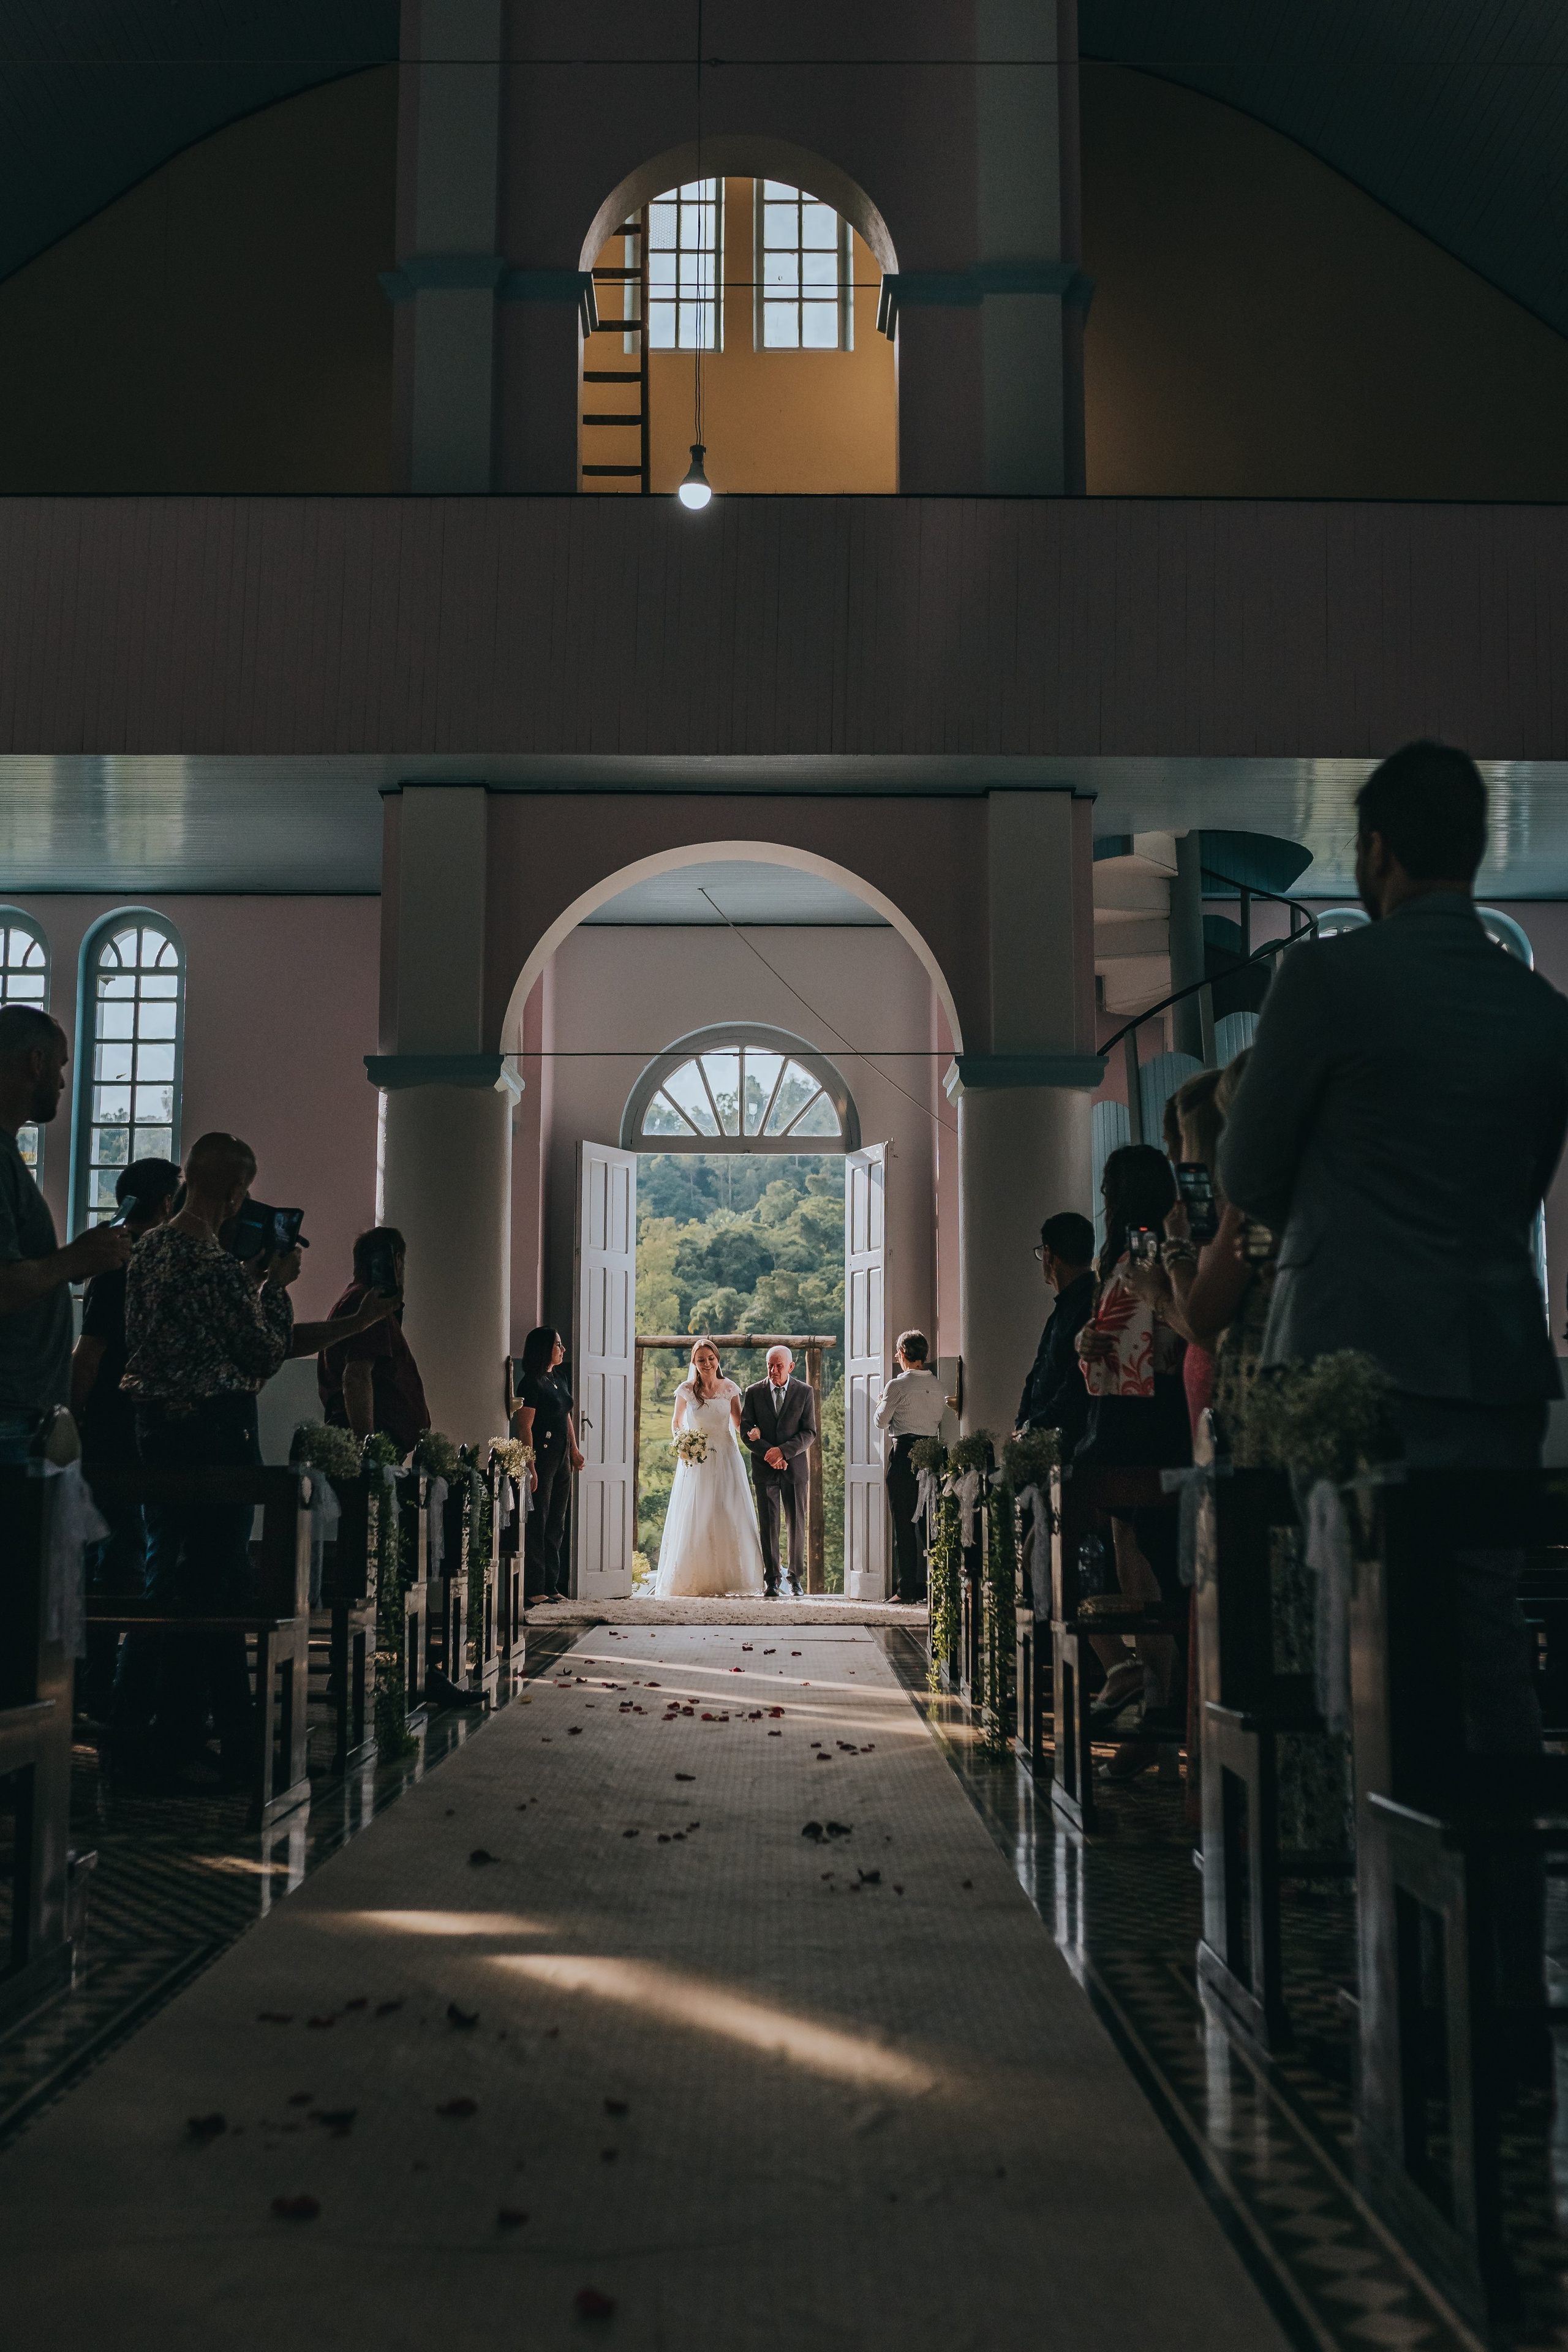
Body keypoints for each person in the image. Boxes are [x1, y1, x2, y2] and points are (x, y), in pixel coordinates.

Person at [1219, 739, 1568, 1780]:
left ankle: (1392, 1907)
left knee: (1368, 1639)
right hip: (1492, 1362)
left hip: (1355, 1365)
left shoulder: (1326, 975)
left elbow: (1249, 1162)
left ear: (1376, 852)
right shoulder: (1543, 1015)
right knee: (1486, 1624)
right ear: (1473, 847)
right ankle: (1496, 1912)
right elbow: (1519, 1190)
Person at [119, 1132, 300, 1783]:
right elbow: (261, 1355)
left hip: (153, 1435)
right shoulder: (214, 1263)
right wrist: (273, 1289)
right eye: (244, 1190)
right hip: (215, 1437)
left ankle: (217, 1733)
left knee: (180, 1578)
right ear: (231, 1191)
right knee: (217, 1585)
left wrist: (245, 1287)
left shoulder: (148, 1251)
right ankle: (188, 1739)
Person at [1076, 1143, 1191, 1777]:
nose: (1102, 1195)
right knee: (1130, 1559)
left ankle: (1158, 1708)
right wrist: (1084, 1339)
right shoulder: (1123, 1251)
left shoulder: (1152, 1246)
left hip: (1147, 1410)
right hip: (1120, 1404)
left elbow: (1169, 1325)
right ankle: (1149, 1699)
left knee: (1148, 1565)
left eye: (1108, 1185)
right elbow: (1111, 1328)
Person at [69, 1156, 180, 1720]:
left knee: (115, 1558)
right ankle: (101, 1689)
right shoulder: (124, 1267)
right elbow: (90, 1354)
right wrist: (78, 1416)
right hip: (121, 1431)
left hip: (114, 1428)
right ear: (165, 1205)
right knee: (122, 1562)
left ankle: (102, 1685)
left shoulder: (127, 1264)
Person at [0, 1006, 130, 1463]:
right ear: (36, 1062)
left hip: (24, 1414)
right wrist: (76, 1260)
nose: (60, 1082)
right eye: (60, 1066)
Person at [654, 1339, 768, 1599]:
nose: (707, 1364)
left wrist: (753, 1432)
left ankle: (732, 1578)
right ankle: (696, 1577)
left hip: (726, 1456)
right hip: (698, 1459)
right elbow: (676, 1422)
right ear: (694, 1363)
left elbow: (738, 1423)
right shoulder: (686, 1390)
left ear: (718, 1360)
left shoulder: (730, 1388)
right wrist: (683, 1443)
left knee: (728, 1510)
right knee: (698, 1513)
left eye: (711, 1358)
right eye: (701, 1360)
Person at [316, 1226, 426, 1452]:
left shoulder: (356, 1302)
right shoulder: (365, 1304)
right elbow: (356, 1377)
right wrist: (369, 1449)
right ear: (396, 1260)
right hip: (373, 1447)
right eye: (401, 1262)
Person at [508, 1326, 584, 1602]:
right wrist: (530, 1466)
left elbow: (566, 1416)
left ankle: (551, 1586)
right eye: (558, 1345)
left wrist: (574, 1450)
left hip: (562, 1457)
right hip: (541, 1457)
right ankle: (535, 1589)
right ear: (544, 1349)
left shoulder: (559, 1378)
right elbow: (524, 1427)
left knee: (557, 1522)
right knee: (538, 1521)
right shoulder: (530, 1383)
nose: (563, 1350)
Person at [1013, 1211, 1096, 1450]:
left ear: (1050, 1255)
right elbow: (1038, 1374)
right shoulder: (1075, 1304)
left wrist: (1031, 1428)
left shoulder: (1083, 1305)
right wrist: (1025, 1427)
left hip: (1065, 1443)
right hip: (1049, 1435)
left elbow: (1074, 1382)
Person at [875, 1329, 946, 1604]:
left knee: (903, 1525)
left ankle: (906, 1591)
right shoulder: (939, 1386)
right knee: (931, 1524)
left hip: (904, 1455)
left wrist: (882, 1401)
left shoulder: (898, 1385)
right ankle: (938, 1588)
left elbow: (880, 1422)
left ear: (903, 1354)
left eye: (897, 1352)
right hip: (932, 1455)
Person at [741, 1346, 818, 1598]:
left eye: (779, 1366)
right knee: (769, 1525)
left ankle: (795, 1579)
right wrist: (769, 1454)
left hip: (794, 1469)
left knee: (796, 1524)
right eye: (770, 1366)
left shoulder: (805, 1392)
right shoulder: (754, 1392)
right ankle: (772, 1580)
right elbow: (746, 1432)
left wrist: (783, 1453)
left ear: (791, 1367)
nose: (774, 1371)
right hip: (765, 1470)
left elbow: (809, 1433)